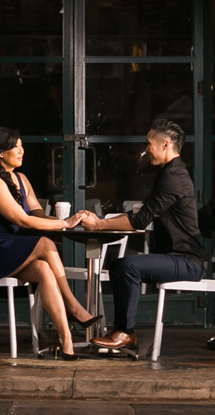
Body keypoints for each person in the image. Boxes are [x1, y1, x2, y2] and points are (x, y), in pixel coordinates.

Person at [0, 126, 102, 359]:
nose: (21, 150)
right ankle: (73, 306)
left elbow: (37, 215)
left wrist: (71, 219)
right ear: (0, 152)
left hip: (10, 249)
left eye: (21, 145)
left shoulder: (21, 179)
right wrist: (65, 224)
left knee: (44, 269)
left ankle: (65, 337)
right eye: (15, 147)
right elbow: (23, 220)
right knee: (46, 244)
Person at [86, 118, 206, 357]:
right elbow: (144, 211)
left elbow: (140, 219)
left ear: (165, 145)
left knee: (128, 266)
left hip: (187, 261)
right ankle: (123, 332)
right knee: (121, 264)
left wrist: (99, 225)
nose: (146, 149)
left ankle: (125, 333)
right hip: (175, 256)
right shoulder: (169, 173)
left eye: (149, 143)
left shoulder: (173, 176)